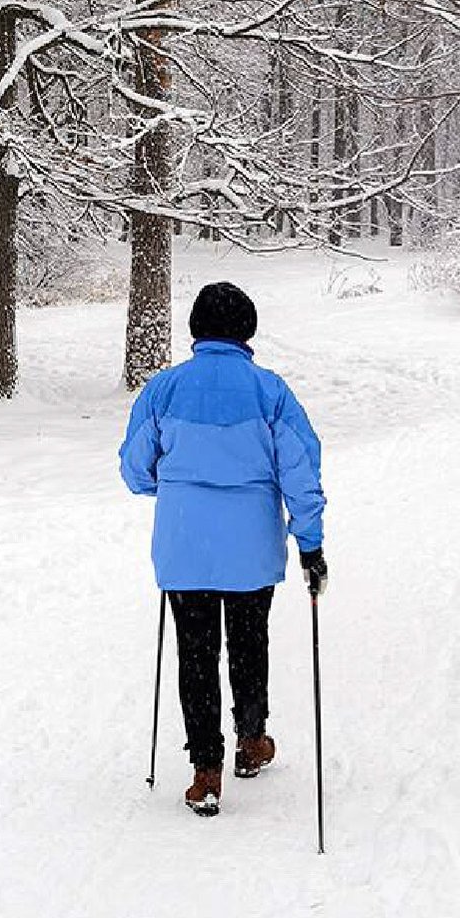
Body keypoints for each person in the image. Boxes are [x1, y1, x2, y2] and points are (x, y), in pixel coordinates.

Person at [118, 281, 327, 817]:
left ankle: (204, 770)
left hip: (184, 544)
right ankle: (251, 742)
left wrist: (173, 485)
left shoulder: (163, 390)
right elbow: (300, 470)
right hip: (251, 547)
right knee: (248, 644)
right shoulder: (270, 392)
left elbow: (135, 469)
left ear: (196, 329)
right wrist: (310, 543)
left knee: (196, 653)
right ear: (247, 330)